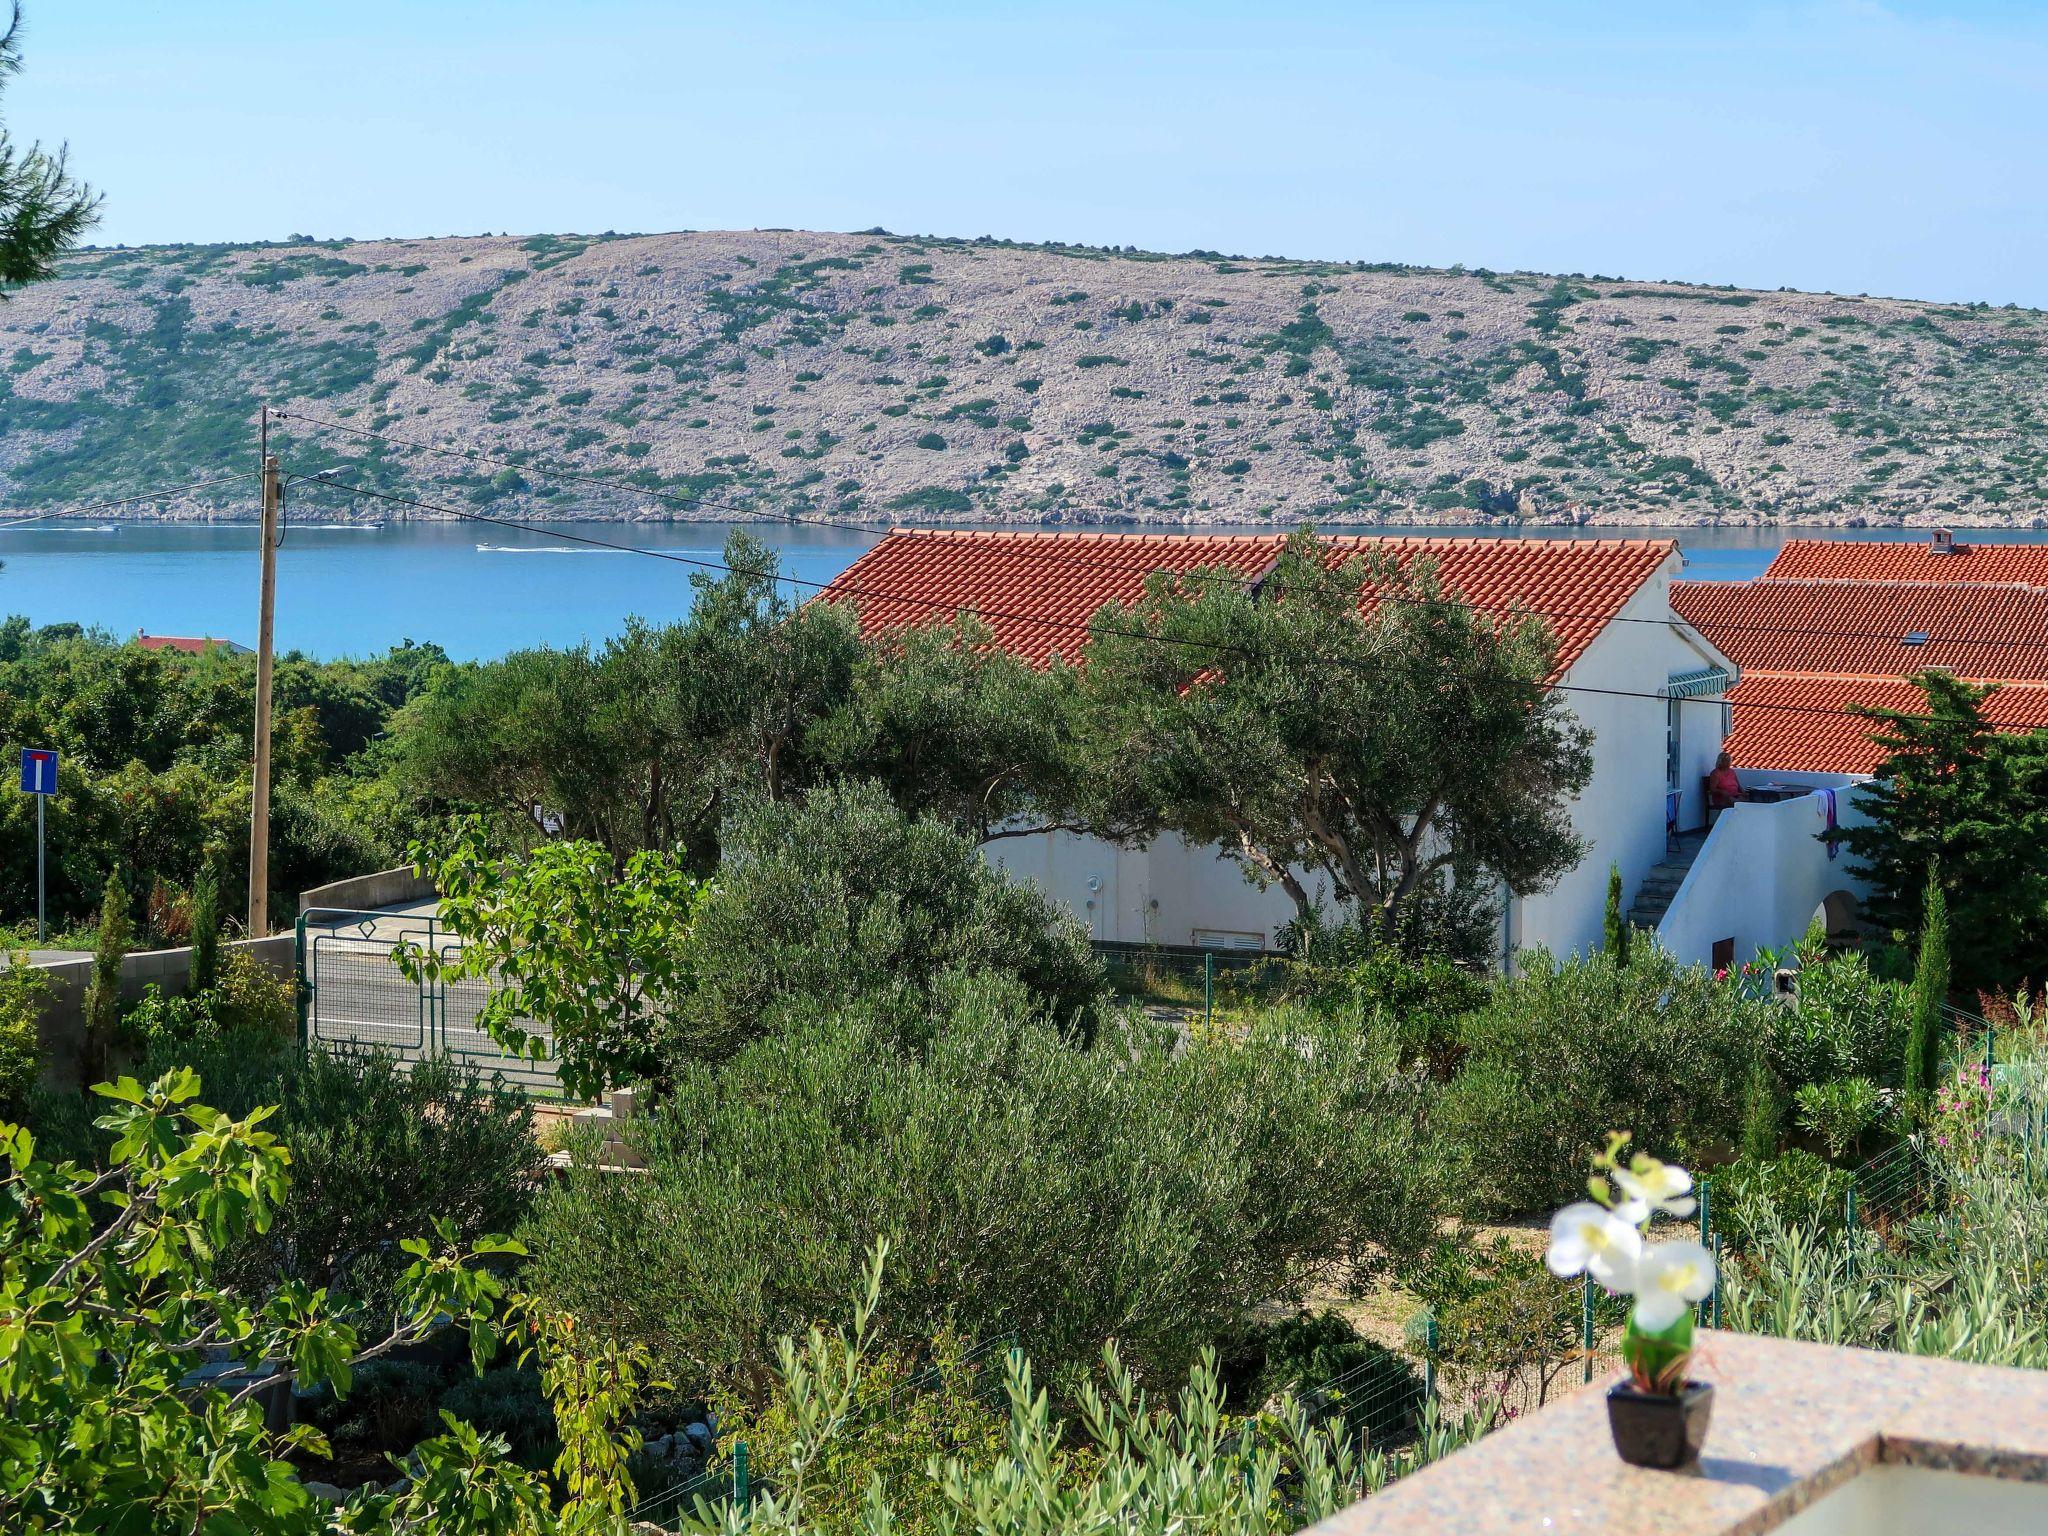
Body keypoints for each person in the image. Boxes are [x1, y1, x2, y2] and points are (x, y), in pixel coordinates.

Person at [1705, 750, 1742, 824]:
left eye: (1729, 760)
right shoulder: (1716, 773)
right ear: (1721, 762)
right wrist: (1722, 791)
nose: (1728, 762)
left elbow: (1739, 786)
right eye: (1726, 760)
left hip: (1735, 795)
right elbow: (1712, 789)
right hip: (1722, 798)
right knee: (1739, 804)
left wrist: (1744, 792)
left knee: (1749, 801)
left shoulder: (1732, 772)